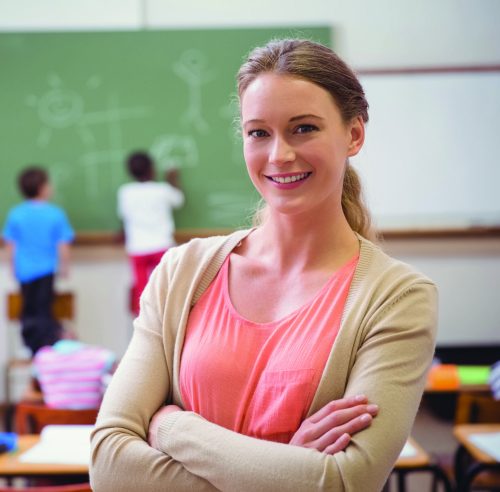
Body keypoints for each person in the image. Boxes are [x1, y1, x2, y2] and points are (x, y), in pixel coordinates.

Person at [91, 39, 437, 491]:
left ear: (354, 134)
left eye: (304, 128)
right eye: (259, 133)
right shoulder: (182, 273)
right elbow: (109, 466)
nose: (279, 155)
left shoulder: (397, 297)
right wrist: (287, 468)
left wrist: (173, 429)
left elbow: (344, 483)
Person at [2, 166, 74, 355]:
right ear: (42, 188)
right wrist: (65, 268)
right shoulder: (55, 213)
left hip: (24, 270)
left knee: (29, 309)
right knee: (44, 308)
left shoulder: (16, 214)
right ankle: (45, 346)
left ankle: (31, 345)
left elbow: (10, 245)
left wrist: (12, 268)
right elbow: (63, 245)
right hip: (46, 270)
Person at [117, 151, 185, 315]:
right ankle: (166, 322)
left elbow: (123, 215)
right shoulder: (163, 189)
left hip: (137, 248)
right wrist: (172, 180)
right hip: (162, 246)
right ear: (152, 169)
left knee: (142, 292)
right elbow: (179, 200)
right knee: (166, 289)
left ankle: (145, 325)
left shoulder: (125, 192)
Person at [24, 330, 117, 410]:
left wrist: (53, 396)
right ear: (75, 338)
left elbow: (27, 395)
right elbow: (121, 381)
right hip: (90, 423)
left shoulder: (42, 358)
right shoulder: (99, 355)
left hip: (54, 424)